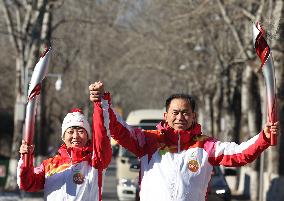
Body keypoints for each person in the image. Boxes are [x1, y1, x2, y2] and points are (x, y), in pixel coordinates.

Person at [89, 81, 279, 201]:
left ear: (193, 116)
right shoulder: (148, 141)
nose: (180, 117)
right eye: (175, 112)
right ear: (166, 115)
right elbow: (118, 129)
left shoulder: (206, 146)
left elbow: (240, 154)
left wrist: (263, 137)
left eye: (185, 112)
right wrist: (102, 103)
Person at [17, 106, 112, 201]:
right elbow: (26, 183)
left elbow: (102, 133)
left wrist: (100, 102)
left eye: (80, 131)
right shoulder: (50, 166)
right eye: (70, 132)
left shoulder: (96, 162)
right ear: (63, 137)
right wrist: (26, 158)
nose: (75, 136)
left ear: (88, 136)